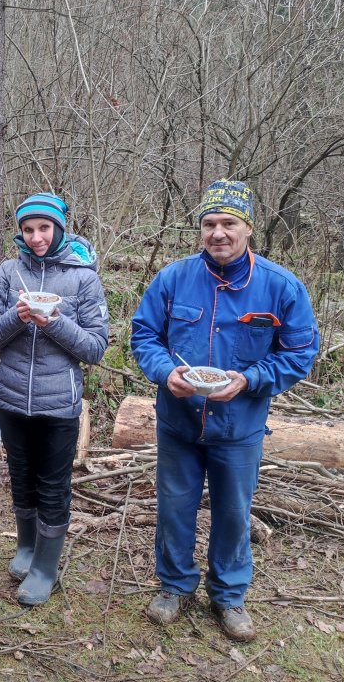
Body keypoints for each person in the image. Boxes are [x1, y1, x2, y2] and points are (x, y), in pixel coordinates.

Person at [131, 179, 318, 641]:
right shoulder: (173, 278)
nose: (218, 232)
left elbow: (298, 354)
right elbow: (144, 336)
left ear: (248, 229)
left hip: (240, 427)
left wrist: (250, 380)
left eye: (228, 223)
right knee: (175, 509)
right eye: (209, 223)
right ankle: (174, 587)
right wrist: (163, 373)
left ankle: (229, 596)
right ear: (200, 230)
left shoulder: (280, 287)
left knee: (234, 513)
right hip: (178, 421)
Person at [0, 193, 109, 605]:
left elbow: (94, 348)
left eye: (43, 228)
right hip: (11, 400)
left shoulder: (84, 278)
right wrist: (15, 318)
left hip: (59, 405)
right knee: (21, 478)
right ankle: (27, 548)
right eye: (28, 230)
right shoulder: (8, 272)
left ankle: (46, 568)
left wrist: (53, 322)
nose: (35, 237)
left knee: (53, 486)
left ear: (59, 229)